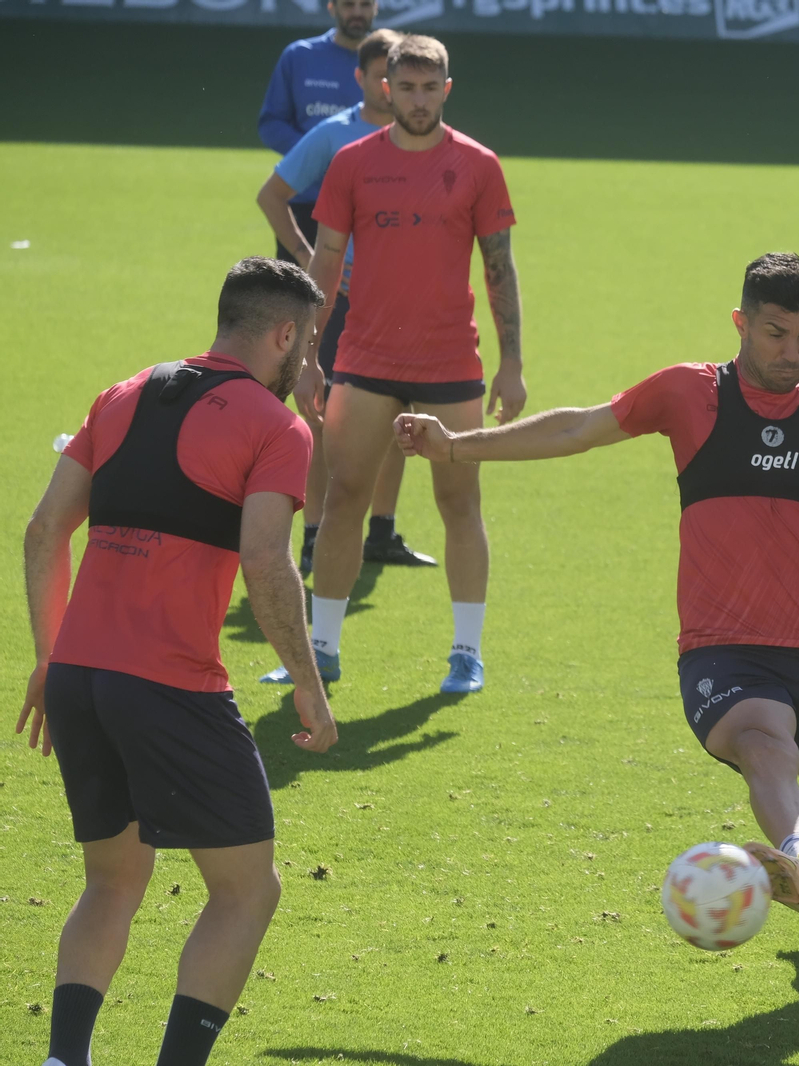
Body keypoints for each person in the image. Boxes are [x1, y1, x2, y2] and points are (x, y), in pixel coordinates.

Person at [392, 253, 799, 951]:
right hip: (723, 648)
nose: (791, 353)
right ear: (740, 323)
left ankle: (798, 881)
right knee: (767, 747)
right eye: (773, 334)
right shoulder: (688, 393)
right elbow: (576, 428)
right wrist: (457, 446)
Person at [16, 258, 338, 1066]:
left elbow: (44, 531)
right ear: (284, 333)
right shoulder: (274, 423)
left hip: (81, 679)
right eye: (310, 338)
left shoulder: (121, 394)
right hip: (170, 683)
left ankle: (63, 1059)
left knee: (113, 881)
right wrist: (307, 682)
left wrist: (50, 660)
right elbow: (267, 561)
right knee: (245, 890)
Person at [260, 34, 526, 695]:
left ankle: (467, 654)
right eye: (404, 87)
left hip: (450, 361)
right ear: (385, 89)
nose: (416, 99)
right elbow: (324, 260)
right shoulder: (352, 161)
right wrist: (310, 356)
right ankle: (321, 648)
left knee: (458, 500)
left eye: (428, 88)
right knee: (345, 495)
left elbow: (499, 267)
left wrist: (512, 362)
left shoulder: (479, 165)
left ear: (446, 90)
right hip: (366, 358)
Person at [257, 27, 433, 574]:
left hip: (398, 303)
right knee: (322, 415)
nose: (393, 89)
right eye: (385, 78)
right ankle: (313, 534)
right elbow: (273, 195)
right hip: (340, 302)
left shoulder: (425, 144)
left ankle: (381, 530)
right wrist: (313, 262)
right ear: (362, 79)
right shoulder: (337, 137)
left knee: (401, 411)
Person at [258, 0, 377, 263]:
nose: (357, 12)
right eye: (349, 5)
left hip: (371, 206)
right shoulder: (300, 56)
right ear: (331, 6)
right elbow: (271, 124)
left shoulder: (388, 63)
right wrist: (317, 155)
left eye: (365, 4)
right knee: (299, 300)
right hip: (306, 202)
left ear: (376, 7)